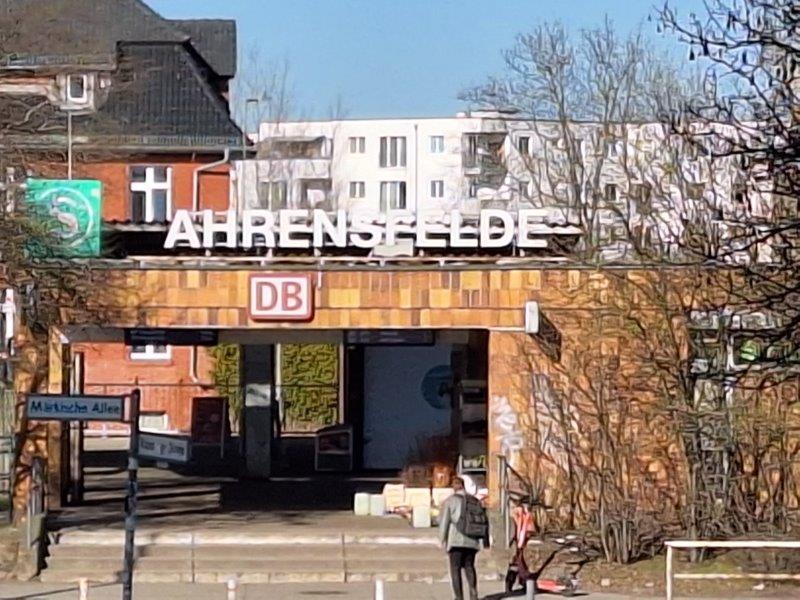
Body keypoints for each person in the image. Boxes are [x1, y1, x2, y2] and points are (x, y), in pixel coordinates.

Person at [438, 476, 490, 600]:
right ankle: (473, 593)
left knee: (455, 569)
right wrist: (485, 541)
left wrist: (442, 539)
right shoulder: (474, 501)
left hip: (456, 540)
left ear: (454, 486)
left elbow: (445, 521)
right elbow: (484, 520)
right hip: (472, 540)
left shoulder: (450, 501)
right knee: (469, 566)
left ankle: (459, 597)